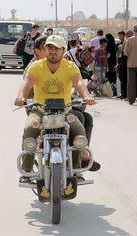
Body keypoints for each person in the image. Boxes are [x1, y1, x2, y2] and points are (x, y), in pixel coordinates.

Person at [14, 35, 96, 183]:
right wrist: (21, 97)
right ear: (45, 49)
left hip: (65, 110)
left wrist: (86, 96)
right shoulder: (36, 66)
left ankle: (76, 171)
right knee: (29, 130)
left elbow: (79, 83)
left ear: (64, 51)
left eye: (57, 48)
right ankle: (26, 172)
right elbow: (27, 83)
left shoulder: (70, 66)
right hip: (40, 110)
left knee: (79, 131)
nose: (53, 51)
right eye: (50, 47)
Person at [115, 31, 128, 99]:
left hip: (125, 63)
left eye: (121, 35)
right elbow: (117, 54)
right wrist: (117, 63)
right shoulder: (118, 44)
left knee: (124, 79)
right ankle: (122, 94)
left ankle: (125, 94)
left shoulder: (126, 43)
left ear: (124, 35)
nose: (120, 37)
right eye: (119, 35)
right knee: (120, 78)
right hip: (120, 63)